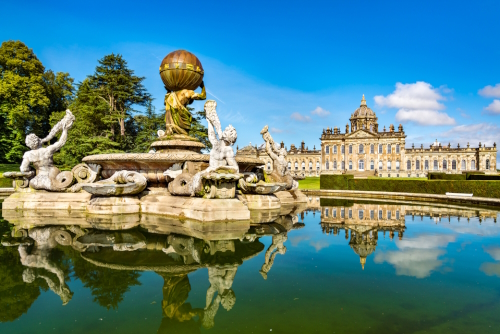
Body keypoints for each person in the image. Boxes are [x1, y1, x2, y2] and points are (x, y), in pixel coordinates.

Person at [189, 100, 238, 196]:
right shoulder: (217, 146)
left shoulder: (228, 150)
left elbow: (235, 168)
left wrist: (219, 168)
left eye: (227, 130)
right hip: (208, 173)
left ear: (229, 137)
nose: (225, 130)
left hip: (215, 175)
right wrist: (209, 121)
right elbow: (211, 136)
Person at [20, 110, 75, 191]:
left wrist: (31, 172)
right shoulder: (47, 150)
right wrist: (65, 130)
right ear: (38, 141)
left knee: (34, 184)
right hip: (51, 176)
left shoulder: (28, 154)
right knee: (61, 186)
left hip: (37, 180)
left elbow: (23, 169)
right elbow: (61, 142)